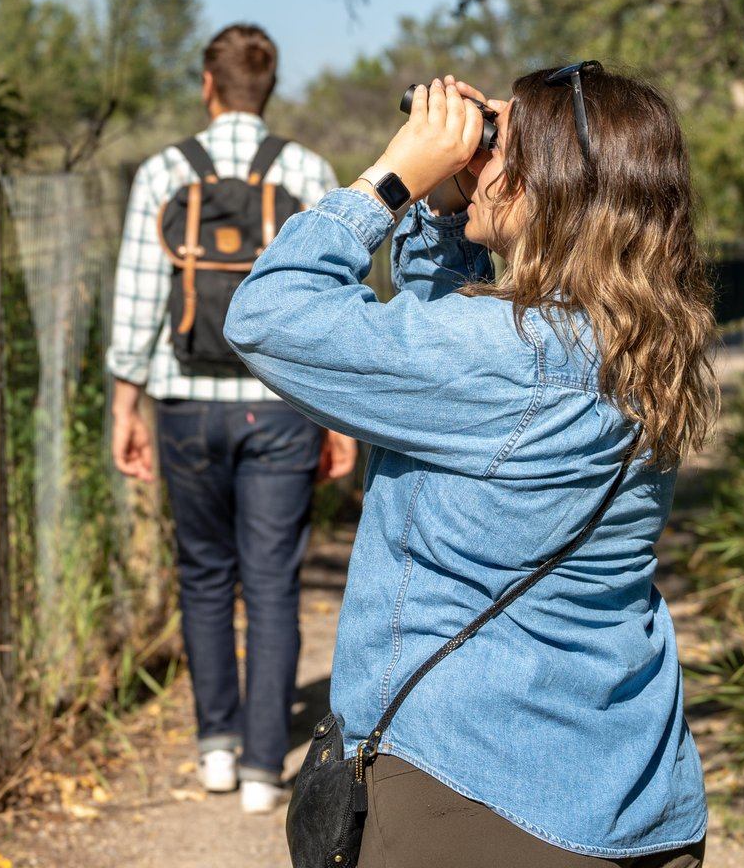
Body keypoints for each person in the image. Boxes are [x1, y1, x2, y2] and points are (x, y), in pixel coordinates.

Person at [225, 69, 715, 867]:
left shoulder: (511, 361)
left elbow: (270, 315)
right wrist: (451, 211)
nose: (475, 159)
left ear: (547, 186)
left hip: (478, 794)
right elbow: (444, 329)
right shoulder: (635, 337)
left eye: (497, 146)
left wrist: (390, 183)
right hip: (629, 782)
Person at [106, 23, 358, 815]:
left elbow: (139, 297)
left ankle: (214, 748)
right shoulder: (308, 170)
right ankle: (260, 770)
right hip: (281, 405)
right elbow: (334, 298)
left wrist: (127, 402)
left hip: (184, 403)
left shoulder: (162, 173)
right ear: (268, 89)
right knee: (274, 580)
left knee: (205, 573)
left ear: (208, 87)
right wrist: (339, 417)